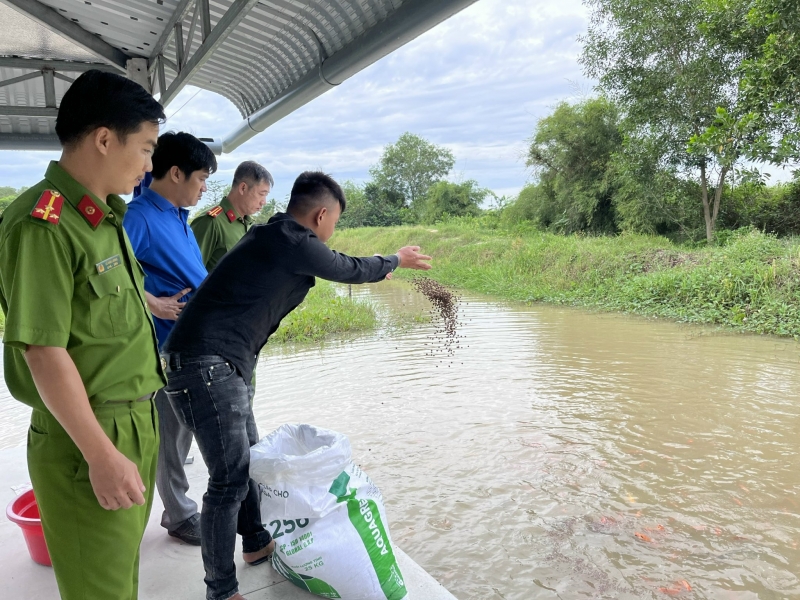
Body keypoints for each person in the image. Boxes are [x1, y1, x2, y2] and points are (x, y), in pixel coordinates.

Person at [160, 171, 432, 600]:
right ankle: (220, 590)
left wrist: (381, 266)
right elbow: (347, 267)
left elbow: (342, 263)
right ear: (322, 215)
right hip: (207, 364)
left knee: (246, 462)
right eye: (334, 222)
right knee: (228, 481)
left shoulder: (276, 234)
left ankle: (256, 543)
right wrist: (393, 260)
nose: (331, 232)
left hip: (219, 363)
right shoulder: (291, 240)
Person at [0, 70, 165, 599]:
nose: (148, 164)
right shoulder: (43, 223)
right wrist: (100, 454)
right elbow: (43, 351)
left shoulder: (103, 220)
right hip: (89, 436)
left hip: (133, 424)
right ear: (103, 139)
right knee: (100, 591)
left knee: (119, 578)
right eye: (145, 148)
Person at [123, 131, 217, 546]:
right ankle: (178, 514)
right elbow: (104, 274)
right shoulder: (138, 216)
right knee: (172, 429)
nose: (203, 188)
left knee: (186, 428)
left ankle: (182, 506)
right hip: (165, 346)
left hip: (195, 338)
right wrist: (153, 305)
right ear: (175, 173)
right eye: (199, 178)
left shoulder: (178, 216)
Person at [191, 160, 273, 271]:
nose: (264, 202)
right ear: (243, 188)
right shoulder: (211, 222)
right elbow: (190, 271)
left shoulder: (249, 225)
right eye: (261, 194)